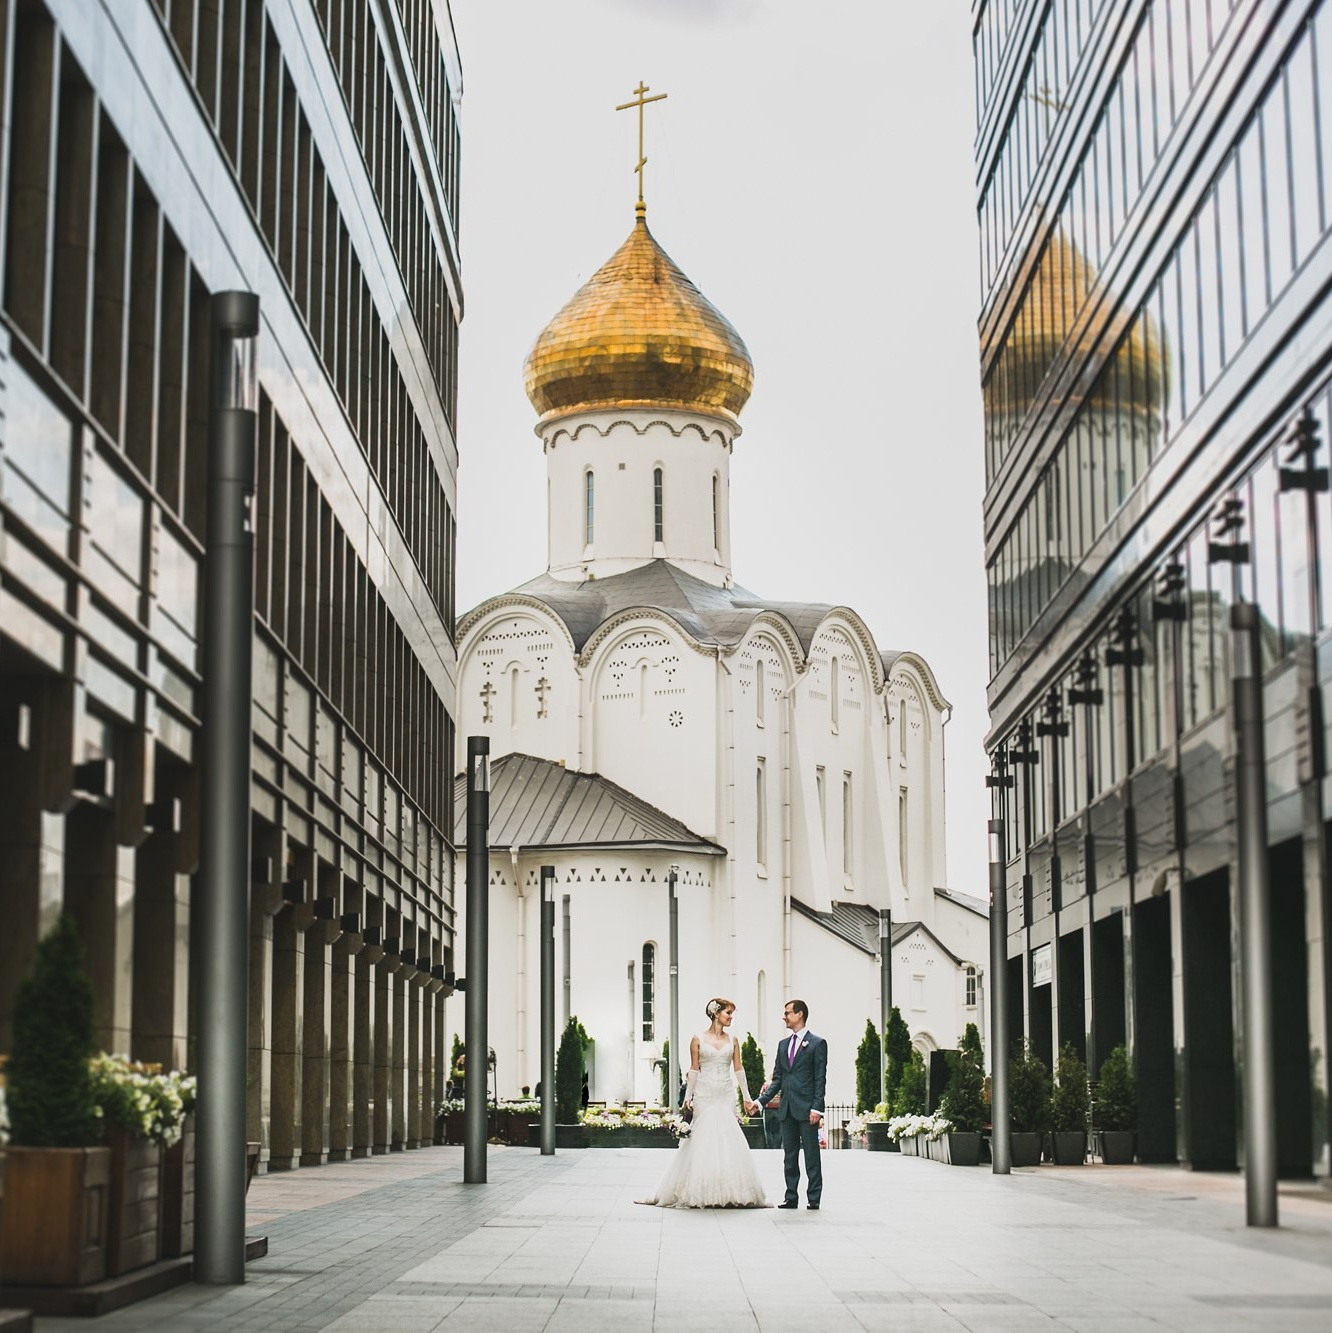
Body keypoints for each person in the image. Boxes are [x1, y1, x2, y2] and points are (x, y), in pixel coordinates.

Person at [638, 997, 769, 1208]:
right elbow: (694, 1069)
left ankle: (730, 1189)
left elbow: (738, 1068)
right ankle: (701, 1188)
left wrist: (746, 1097)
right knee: (703, 1140)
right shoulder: (697, 1039)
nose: (731, 1017)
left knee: (727, 1138)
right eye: (728, 1013)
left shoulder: (733, 1040)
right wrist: (688, 1097)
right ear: (716, 1014)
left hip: (725, 1094)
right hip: (705, 1094)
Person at [751, 998, 826, 1210]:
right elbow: (778, 1080)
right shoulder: (783, 1045)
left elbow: (820, 1078)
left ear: (799, 1014)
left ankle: (814, 1198)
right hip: (787, 1109)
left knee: (812, 1156)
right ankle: (791, 1197)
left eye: (787, 1013)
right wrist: (760, 1102)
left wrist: (817, 1108)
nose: (784, 1017)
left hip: (807, 1109)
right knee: (789, 1156)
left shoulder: (817, 1043)